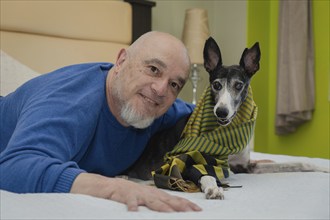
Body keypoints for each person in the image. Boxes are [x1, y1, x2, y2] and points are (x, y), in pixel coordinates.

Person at [0, 31, 202, 212]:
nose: (160, 90)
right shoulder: (72, 101)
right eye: (153, 69)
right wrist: (113, 188)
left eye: (174, 84)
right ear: (121, 61)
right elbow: (11, 167)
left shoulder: (155, 106)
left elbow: (204, 116)